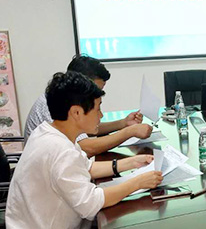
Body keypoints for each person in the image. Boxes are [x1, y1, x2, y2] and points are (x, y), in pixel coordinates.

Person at [6, 71, 163, 229]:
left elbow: (86, 168)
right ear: (77, 112)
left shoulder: (49, 133)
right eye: (98, 108)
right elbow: (92, 203)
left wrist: (129, 164)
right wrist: (138, 182)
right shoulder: (58, 150)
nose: (101, 115)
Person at [24, 55, 152, 156]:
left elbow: (87, 128)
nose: (98, 95)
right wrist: (129, 132)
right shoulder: (55, 104)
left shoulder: (63, 97)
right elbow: (86, 148)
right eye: (95, 90)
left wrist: (123, 123)